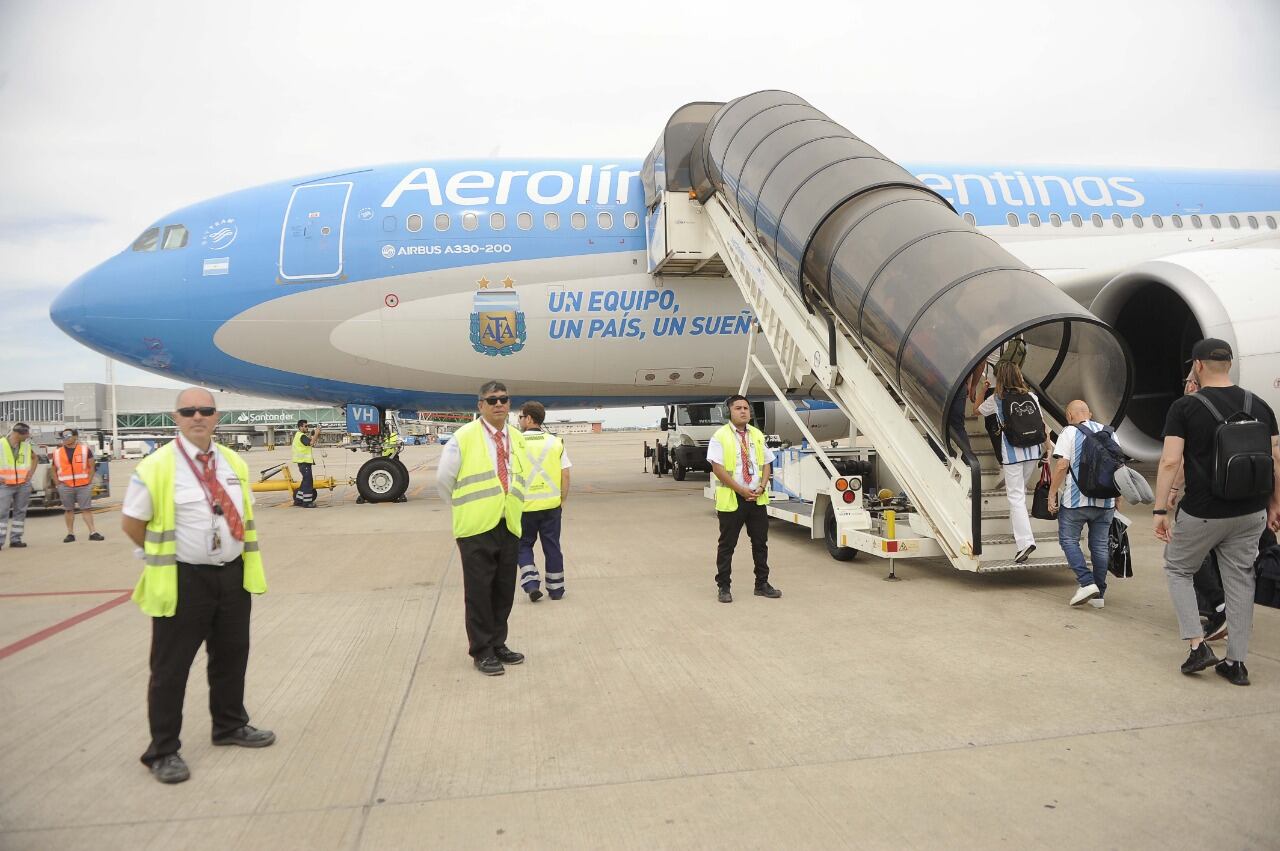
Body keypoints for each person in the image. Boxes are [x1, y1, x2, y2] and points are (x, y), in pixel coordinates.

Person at [120, 388, 273, 784]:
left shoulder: (233, 462)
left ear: (217, 417)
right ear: (176, 418)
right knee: (171, 668)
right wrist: (160, 553)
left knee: (232, 656)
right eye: (188, 411)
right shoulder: (157, 466)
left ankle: (229, 725)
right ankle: (163, 750)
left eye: (205, 410)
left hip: (232, 575)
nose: (198, 416)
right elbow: (132, 523)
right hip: (184, 579)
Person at [1153, 339, 1280, 686]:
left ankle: (1198, 646)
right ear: (1230, 364)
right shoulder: (1259, 404)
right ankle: (1236, 663)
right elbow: (1275, 460)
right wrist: (1274, 505)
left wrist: (1160, 508)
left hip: (1204, 511)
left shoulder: (1185, 407)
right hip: (1251, 511)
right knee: (1240, 580)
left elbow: (1170, 461)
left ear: (1198, 365)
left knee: (1178, 567)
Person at [435, 381, 529, 676]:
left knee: (504, 590)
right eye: (492, 400)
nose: (499, 404)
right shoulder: (463, 437)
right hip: (475, 527)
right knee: (479, 592)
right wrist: (465, 507)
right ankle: (482, 650)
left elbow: (522, 475)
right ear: (480, 405)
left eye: (503, 399)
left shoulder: (517, 437)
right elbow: (444, 481)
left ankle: (498, 643)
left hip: (509, 523)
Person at [708, 395, 782, 603]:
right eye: (738, 408)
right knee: (727, 546)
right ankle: (724, 587)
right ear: (728, 412)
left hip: (756, 499)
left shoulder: (757, 434)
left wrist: (762, 486)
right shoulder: (720, 436)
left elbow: (766, 463)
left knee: (760, 544)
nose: (743, 411)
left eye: (746, 408)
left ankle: (762, 584)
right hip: (733, 499)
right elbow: (718, 469)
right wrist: (741, 490)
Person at [978, 361, 1053, 563]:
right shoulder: (1032, 397)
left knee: (1016, 497)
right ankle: (1019, 532)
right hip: (1033, 451)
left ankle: (1025, 542)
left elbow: (977, 410)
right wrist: (1048, 448)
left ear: (1000, 379)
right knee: (1019, 493)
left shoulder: (996, 399)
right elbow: (1043, 426)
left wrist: (983, 390)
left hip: (1012, 454)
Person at [1047, 400, 1116, 607]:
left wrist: (1052, 493)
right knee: (1100, 546)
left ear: (1069, 416)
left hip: (1076, 500)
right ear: (1090, 414)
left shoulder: (1069, 432)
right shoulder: (1109, 432)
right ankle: (1099, 595)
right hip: (1106, 500)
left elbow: (1062, 465)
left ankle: (1086, 583)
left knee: (1068, 540)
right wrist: (1118, 496)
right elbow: (1118, 466)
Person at [516, 401, 571, 601]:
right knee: (552, 547)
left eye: (521, 417)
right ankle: (556, 590)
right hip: (551, 506)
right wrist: (562, 499)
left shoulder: (515, 443)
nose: (519, 420)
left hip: (524, 507)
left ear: (529, 418)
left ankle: (531, 583)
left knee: (522, 546)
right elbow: (565, 475)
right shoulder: (556, 443)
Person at [52, 427, 104, 542]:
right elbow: (53, 469)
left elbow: (92, 466)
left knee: (86, 509)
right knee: (68, 510)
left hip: (83, 485)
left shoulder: (85, 450)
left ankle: (93, 532)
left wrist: (89, 481)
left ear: (75, 437)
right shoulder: (57, 452)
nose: (65, 438)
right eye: (64, 436)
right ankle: (70, 534)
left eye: (68, 436)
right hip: (65, 486)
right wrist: (58, 484)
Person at [1, 422, 37, 550]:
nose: (27, 436)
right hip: (4, 485)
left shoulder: (26, 446)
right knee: (2, 512)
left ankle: (16, 539)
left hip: (22, 485)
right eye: (25, 434)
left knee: (20, 512)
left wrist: (30, 474)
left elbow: (35, 458)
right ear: (17, 433)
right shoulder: (1, 444)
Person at [291, 419, 320, 508]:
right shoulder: (301, 436)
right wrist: (316, 433)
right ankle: (307, 502)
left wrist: (312, 435)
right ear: (300, 427)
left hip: (302, 463)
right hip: (304, 463)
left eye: (308, 426)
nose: (307, 427)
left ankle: (298, 500)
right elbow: (311, 443)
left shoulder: (298, 435)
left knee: (304, 482)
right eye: (305, 426)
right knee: (308, 482)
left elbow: (308, 441)